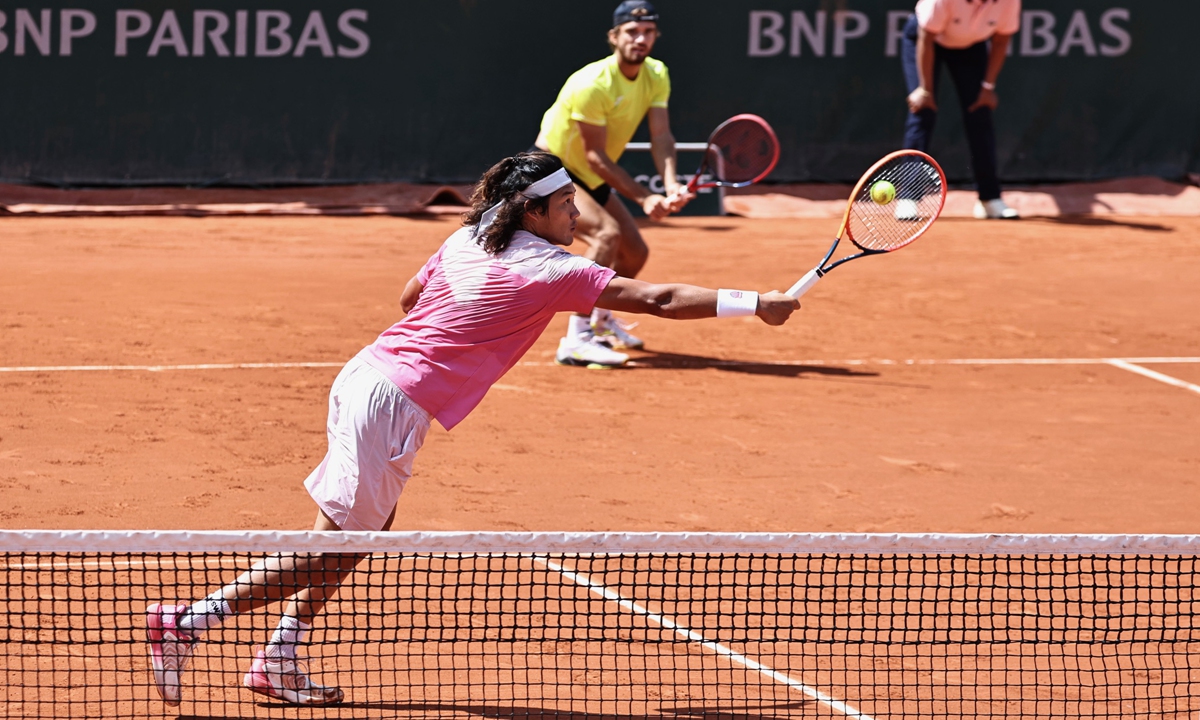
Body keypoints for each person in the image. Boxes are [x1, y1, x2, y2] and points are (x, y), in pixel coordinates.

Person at [144, 151, 799, 707]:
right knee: (331, 550)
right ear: (533, 213)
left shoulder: (470, 237)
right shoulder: (551, 270)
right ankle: (186, 621)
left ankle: (279, 657)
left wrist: (474, 316)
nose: (577, 215)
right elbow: (654, 298)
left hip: (364, 379)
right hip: (392, 405)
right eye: (567, 205)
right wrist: (756, 304)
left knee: (363, 532)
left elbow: (408, 299)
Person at [534, 0, 694, 368]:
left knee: (634, 252)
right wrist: (644, 198)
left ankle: (601, 321)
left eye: (648, 32)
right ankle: (576, 339)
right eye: (632, 32)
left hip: (584, 174)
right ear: (614, 37)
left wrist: (669, 184)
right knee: (606, 235)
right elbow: (595, 157)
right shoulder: (593, 82)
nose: (641, 39)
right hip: (552, 168)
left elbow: (662, 135)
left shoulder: (657, 73)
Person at [900, 0, 1021, 220]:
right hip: (927, 41)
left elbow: (1001, 41)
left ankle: (989, 199)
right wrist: (924, 90)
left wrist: (988, 87)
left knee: (980, 114)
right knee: (922, 112)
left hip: (971, 47)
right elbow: (925, 39)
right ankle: (908, 197)